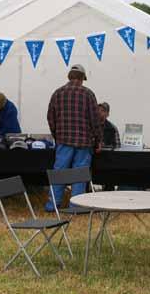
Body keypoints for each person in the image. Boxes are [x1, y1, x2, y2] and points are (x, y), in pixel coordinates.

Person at [45, 64, 102, 212]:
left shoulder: (57, 93)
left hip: (63, 140)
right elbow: (95, 120)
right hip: (84, 142)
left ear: (69, 77)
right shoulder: (88, 94)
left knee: (59, 172)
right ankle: (77, 206)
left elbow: (50, 117)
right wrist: (98, 139)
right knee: (80, 174)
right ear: (82, 78)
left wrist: (57, 135)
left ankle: (53, 205)